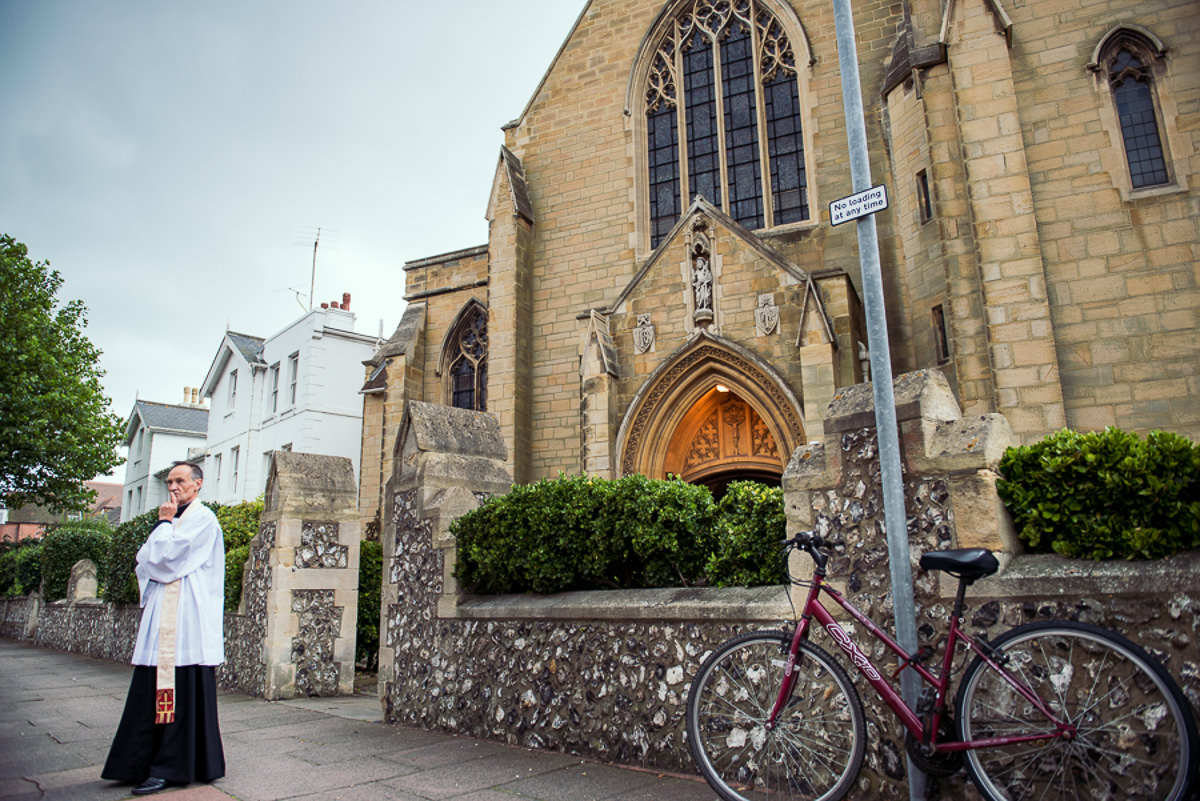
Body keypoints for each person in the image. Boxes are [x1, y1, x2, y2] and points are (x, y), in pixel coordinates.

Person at [102, 461, 226, 795]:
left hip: (186, 623)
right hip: (163, 621)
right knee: (148, 691)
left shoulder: (202, 519)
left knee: (180, 693)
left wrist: (163, 526)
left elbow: (167, 562)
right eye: (170, 481)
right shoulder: (174, 521)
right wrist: (163, 533)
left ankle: (170, 767)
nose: (173, 487)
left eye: (180, 481)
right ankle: (138, 762)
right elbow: (144, 560)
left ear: (197, 484)